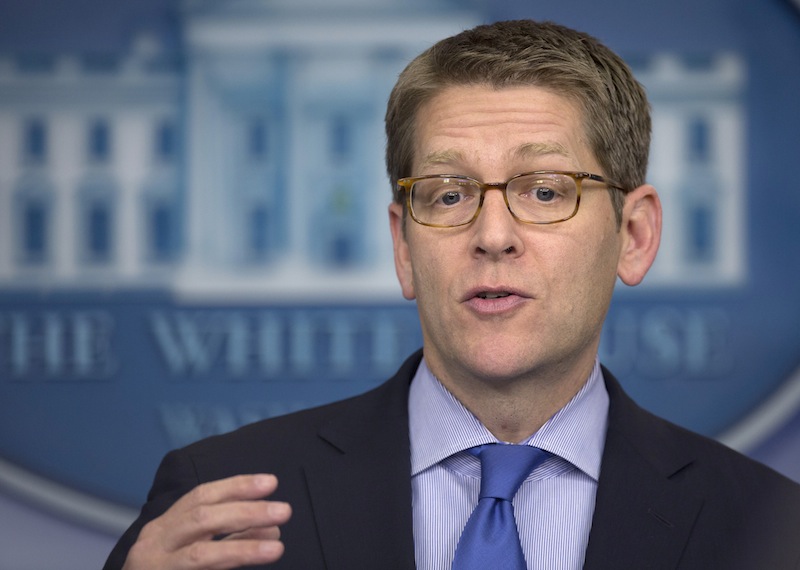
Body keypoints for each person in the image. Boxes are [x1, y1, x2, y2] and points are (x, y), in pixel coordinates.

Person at [104, 19, 800, 570]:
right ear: (404, 246)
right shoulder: (224, 502)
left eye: (546, 191)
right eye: (447, 194)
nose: (492, 235)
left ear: (635, 235)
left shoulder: (773, 531)